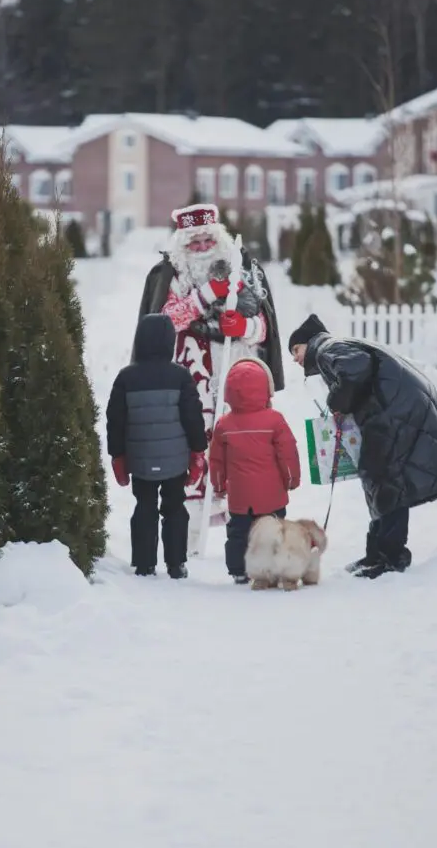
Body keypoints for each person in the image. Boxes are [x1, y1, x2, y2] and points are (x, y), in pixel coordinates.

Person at [133, 202, 284, 552]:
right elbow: (167, 319)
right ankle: (190, 541)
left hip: (237, 377)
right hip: (190, 380)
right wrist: (206, 296)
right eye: (193, 243)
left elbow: (265, 328)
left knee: (244, 454)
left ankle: (246, 537)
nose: (201, 248)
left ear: (219, 240)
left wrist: (245, 325)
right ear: (181, 247)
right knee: (192, 453)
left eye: (207, 241)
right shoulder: (170, 276)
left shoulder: (243, 270)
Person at [288, 313, 437, 579]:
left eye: (296, 350)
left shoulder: (326, 349)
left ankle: (391, 556)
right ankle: (377, 553)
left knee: (388, 480)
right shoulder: (334, 346)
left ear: (308, 342)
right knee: (378, 476)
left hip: (395, 410)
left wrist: (337, 403)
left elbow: (356, 369)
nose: (296, 359)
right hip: (399, 406)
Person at [106, 313, 207, 578]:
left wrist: (118, 455)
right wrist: (198, 450)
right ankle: (176, 564)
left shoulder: (125, 378)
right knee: (175, 508)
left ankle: (144, 563)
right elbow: (193, 416)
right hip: (175, 461)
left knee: (144, 507)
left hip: (140, 460)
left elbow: (115, 420)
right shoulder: (181, 376)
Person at [209, 357, 300, 583]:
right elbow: (288, 453)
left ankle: (239, 570)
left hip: (240, 497)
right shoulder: (275, 420)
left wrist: (219, 486)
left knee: (239, 533)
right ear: (266, 390)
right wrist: (291, 479)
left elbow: (217, 461)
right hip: (272, 495)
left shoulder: (224, 425)